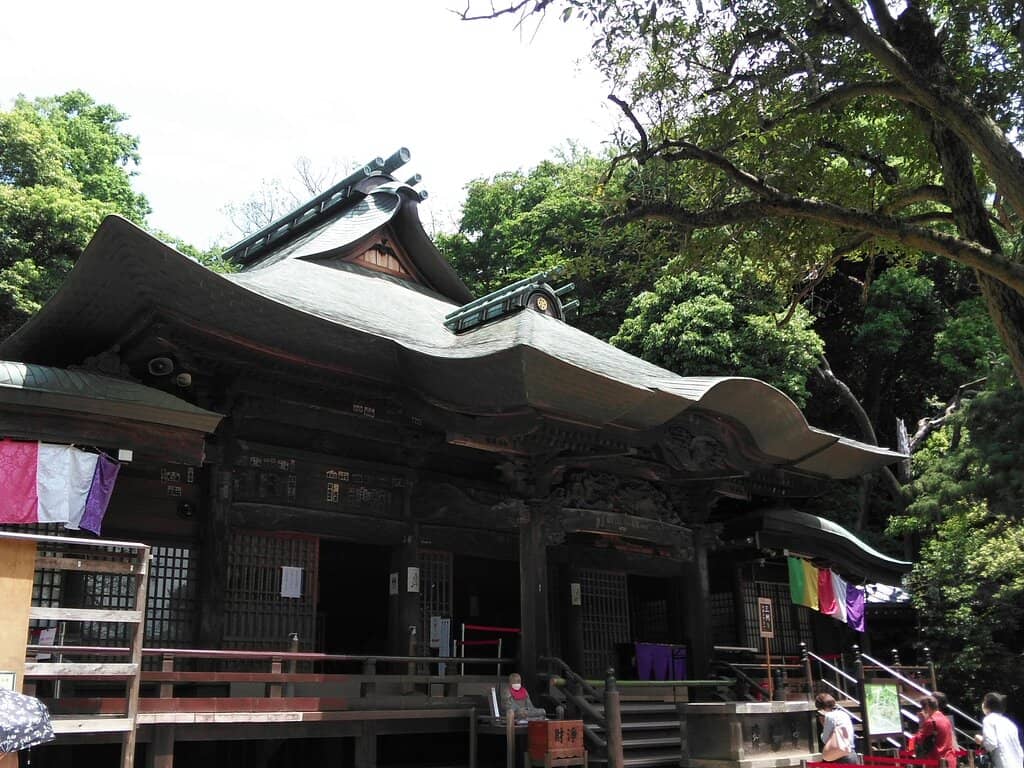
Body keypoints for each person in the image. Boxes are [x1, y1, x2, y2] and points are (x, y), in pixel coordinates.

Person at [974, 692, 1023, 768]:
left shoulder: (989, 720)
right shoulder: (1008, 722)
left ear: (987, 706)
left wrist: (981, 740)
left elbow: (991, 744)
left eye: (984, 701)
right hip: (1017, 763)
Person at [815, 692, 857, 764]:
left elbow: (825, 739)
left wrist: (823, 724)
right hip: (851, 753)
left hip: (839, 756)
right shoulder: (844, 714)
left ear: (821, 707)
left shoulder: (829, 716)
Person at [918, 695, 958, 768]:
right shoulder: (945, 719)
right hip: (950, 759)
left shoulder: (930, 722)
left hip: (937, 761)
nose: (922, 710)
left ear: (927, 707)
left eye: (922, 707)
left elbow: (919, 739)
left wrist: (923, 721)